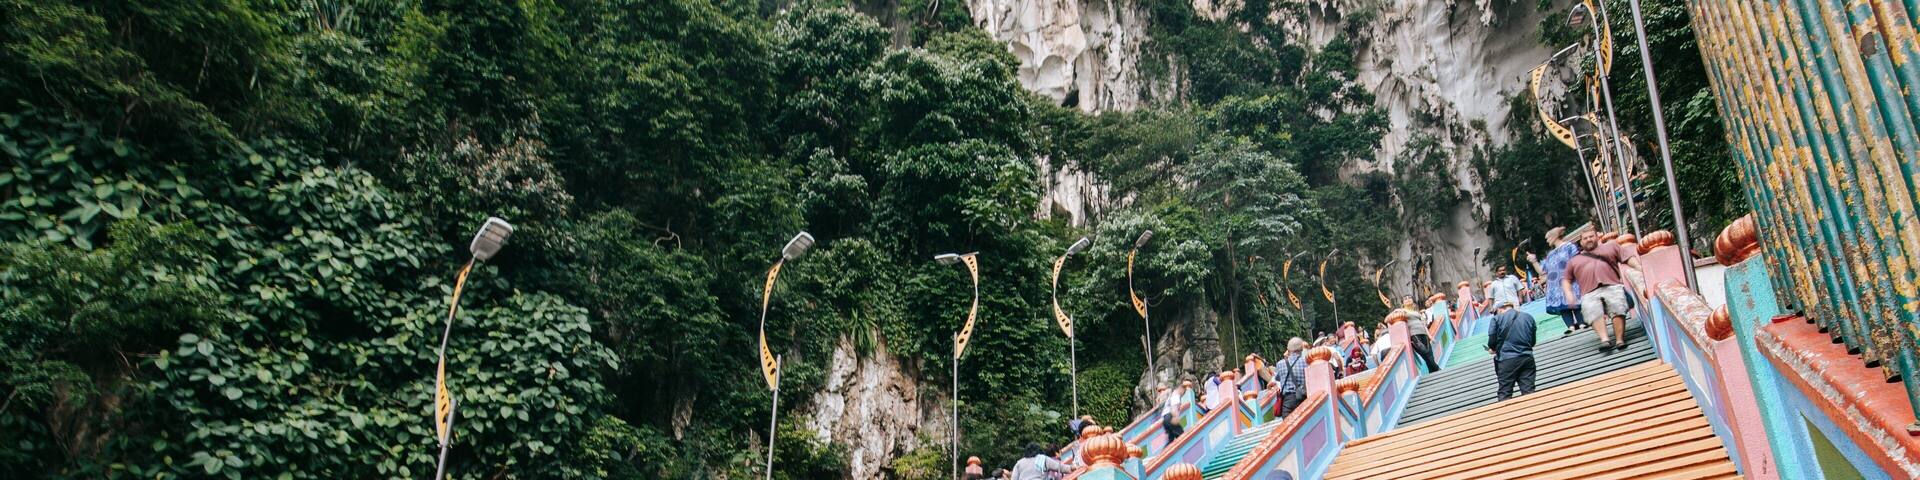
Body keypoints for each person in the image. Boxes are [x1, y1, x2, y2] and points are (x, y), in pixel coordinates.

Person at [1564, 230, 1640, 351]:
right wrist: (1568, 294)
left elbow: (1628, 258)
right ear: (1581, 242)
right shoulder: (1574, 260)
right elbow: (1566, 279)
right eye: (1585, 238)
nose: (1589, 239)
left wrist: (1639, 268)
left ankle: (1620, 340)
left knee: (1617, 306)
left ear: (1597, 237)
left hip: (1612, 285)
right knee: (1592, 310)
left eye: (1591, 236)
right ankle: (1605, 340)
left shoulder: (1611, 247)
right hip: (1589, 292)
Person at [1533, 227, 1589, 335]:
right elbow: (1542, 271)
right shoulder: (1550, 254)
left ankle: (1582, 322)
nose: (1547, 240)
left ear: (1554, 236)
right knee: (1563, 307)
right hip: (1555, 285)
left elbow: (1576, 260)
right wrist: (1534, 261)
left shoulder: (1569, 247)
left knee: (1576, 301)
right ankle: (1571, 326)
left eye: (1548, 237)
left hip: (1571, 280)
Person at [1486, 299, 1537, 400]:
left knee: (1505, 393)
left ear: (1499, 309)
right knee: (1529, 391)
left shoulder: (1496, 319)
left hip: (1507, 360)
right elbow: (1532, 342)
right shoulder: (1528, 317)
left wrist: (1493, 349)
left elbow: (1491, 342)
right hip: (1527, 357)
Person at [1398, 295, 1442, 373]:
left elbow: (1423, 324)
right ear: (1403, 303)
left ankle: (1432, 372)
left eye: (1409, 298)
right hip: (1414, 335)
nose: (1408, 300)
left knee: (1430, 353)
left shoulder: (1416, 312)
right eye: (1405, 299)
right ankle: (1437, 368)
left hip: (1423, 333)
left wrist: (1430, 335)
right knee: (1425, 352)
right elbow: (1396, 314)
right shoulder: (1402, 311)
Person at [1276, 338, 1309, 418]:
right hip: (1302, 398)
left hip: (1287, 401)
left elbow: (1277, 378)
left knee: (1288, 426)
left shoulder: (1280, 364)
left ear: (1288, 349)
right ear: (1301, 348)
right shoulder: (1306, 362)